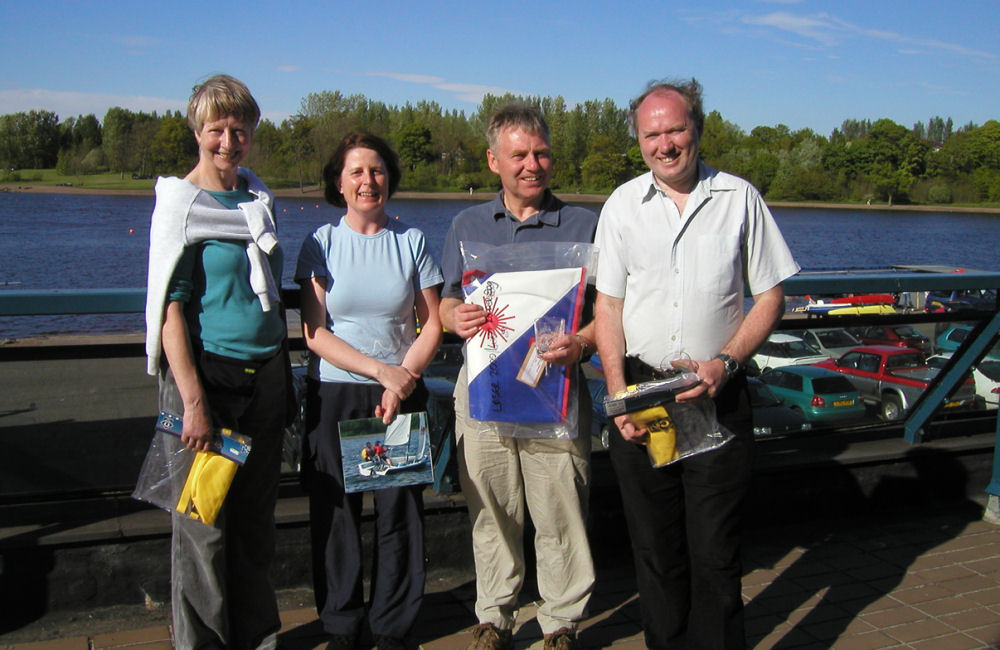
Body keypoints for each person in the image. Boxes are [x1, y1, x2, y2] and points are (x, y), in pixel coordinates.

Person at [593, 78, 800, 649]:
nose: (665, 144)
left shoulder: (740, 199)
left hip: (716, 395)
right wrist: (617, 397)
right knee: (656, 551)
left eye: (675, 129)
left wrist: (727, 362)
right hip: (645, 399)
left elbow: (772, 296)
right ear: (638, 140)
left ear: (698, 129)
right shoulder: (621, 208)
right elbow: (606, 307)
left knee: (715, 552)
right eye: (651, 133)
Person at [439, 103, 597, 650]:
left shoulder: (584, 225)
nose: (532, 164)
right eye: (519, 155)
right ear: (493, 161)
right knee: (492, 507)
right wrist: (450, 317)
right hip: (486, 390)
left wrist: (583, 342)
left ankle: (560, 622)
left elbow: (610, 314)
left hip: (556, 390)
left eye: (541, 153)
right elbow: (442, 305)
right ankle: (495, 614)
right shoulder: (466, 225)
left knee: (559, 509)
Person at [144, 74, 290, 649]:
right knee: (202, 529)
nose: (228, 141)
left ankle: (257, 639)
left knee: (255, 526)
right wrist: (193, 404)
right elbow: (169, 312)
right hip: (209, 383)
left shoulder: (258, 202)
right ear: (197, 132)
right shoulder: (182, 206)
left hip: (267, 380)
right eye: (216, 129)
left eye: (239, 129)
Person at [295, 132, 443, 650]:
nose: (367, 181)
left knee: (398, 511)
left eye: (376, 170)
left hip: (400, 395)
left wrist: (401, 379)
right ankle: (341, 624)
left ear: (389, 179)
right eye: (356, 171)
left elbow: (431, 324)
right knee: (337, 515)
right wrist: (380, 373)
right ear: (339, 182)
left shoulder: (413, 242)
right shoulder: (320, 244)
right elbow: (315, 333)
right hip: (337, 393)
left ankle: (392, 627)